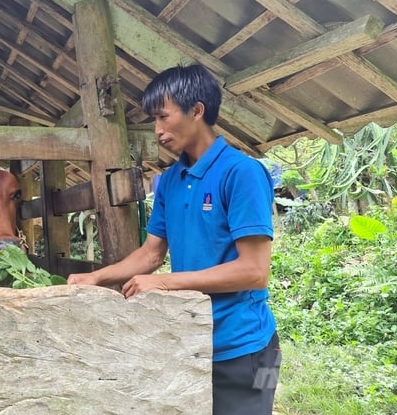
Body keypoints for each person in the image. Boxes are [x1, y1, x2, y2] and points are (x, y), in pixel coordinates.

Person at [68, 64, 281, 415]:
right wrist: (96, 278)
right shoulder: (169, 180)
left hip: (251, 349)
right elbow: (151, 254)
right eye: (154, 120)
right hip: (193, 338)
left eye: (163, 117)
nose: (158, 131)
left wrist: (164, 284)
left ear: (197, 111)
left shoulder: (242, 173)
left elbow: (254, 272)